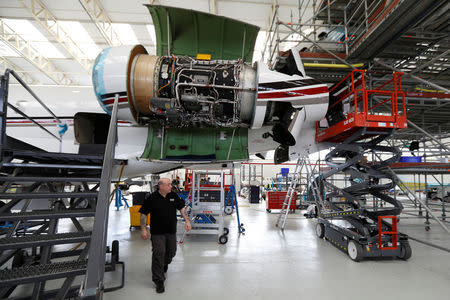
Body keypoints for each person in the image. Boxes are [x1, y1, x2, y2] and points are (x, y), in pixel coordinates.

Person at [139, 178, 191, 293]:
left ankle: (164, 263)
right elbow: (143, 215)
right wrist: (143, 229)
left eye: (170, 185)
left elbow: (182, 208)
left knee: (171, 252)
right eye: (168, 185)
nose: (170, 187)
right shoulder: (152, 198)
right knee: (158, 253)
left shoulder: (173, 195)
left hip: (171, 231)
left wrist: (187, 220)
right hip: (157, 232)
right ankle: (159, 280)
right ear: (160, 186)